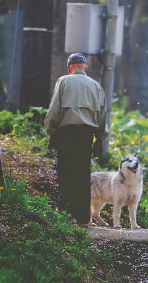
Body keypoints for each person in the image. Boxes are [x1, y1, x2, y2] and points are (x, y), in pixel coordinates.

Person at [45, 53, 108, 225]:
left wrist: (51, 132)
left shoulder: (64, 81)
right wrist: (101, 138)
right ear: (85, 68)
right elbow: (103, 115)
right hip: (86, 137)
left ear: (69, 68)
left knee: (66, 173)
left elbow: (54, 110)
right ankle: (83, 217)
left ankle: (66, 214)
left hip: (66, 134)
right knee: (82, 175)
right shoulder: (96, 86)